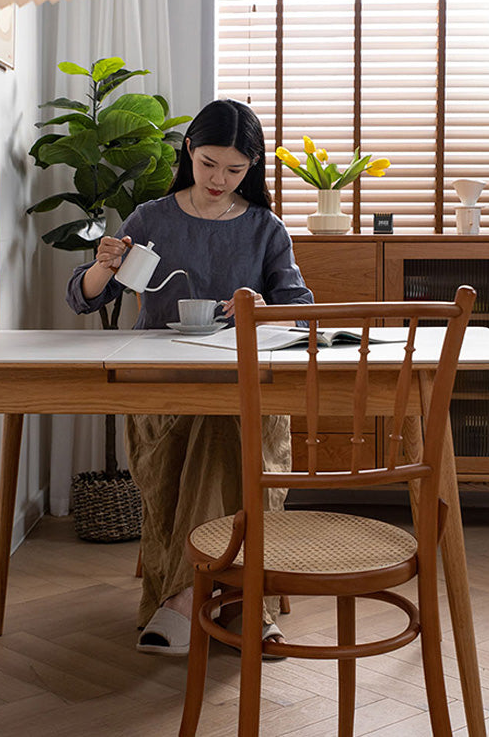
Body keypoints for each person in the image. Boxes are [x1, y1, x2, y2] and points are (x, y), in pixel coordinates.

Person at [66, 98, 313, 655]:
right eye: (208, 164)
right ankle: (245, 601)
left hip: (244, 383)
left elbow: (298, 308)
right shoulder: (151, 220)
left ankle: (181, 600)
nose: (219, 179)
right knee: (220, 426)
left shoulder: (263, 227)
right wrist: (103, 266)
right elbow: (82, 301)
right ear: (188, 153)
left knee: (227, 420)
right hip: (162, 388)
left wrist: (257, 306)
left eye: (235, 169)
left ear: (252, 168)